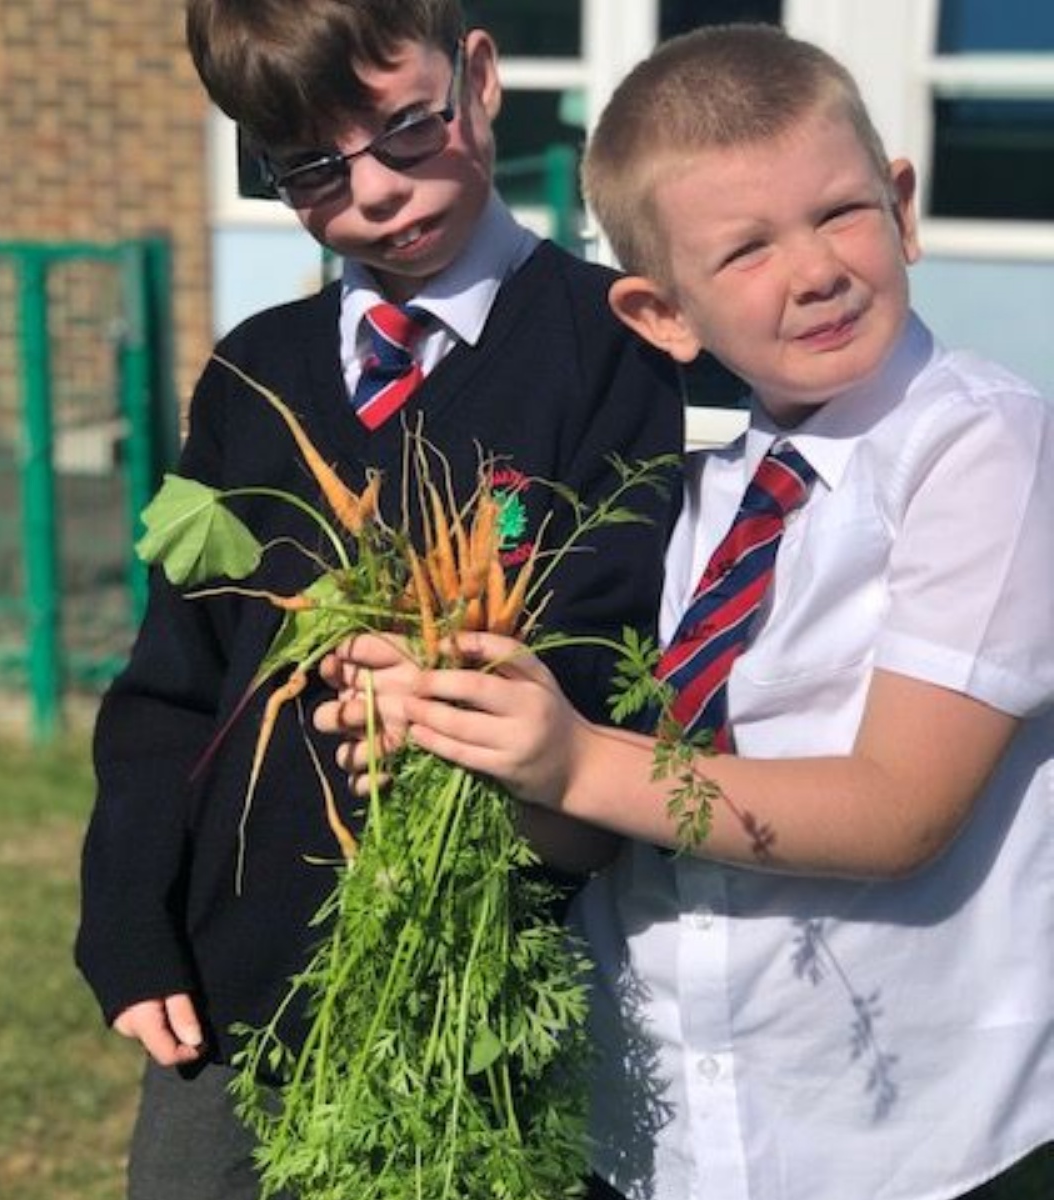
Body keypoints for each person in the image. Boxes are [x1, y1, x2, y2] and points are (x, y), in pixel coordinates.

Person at [318, 23, 1054, 1200]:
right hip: (668, 1123)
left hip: (911, 1139)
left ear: (903, 206)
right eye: (746, 249)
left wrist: (573, 765)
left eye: (841, 214)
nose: (813, 269)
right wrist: (467, 745)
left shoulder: (983, 445)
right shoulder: (692, 498)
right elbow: (600, 825)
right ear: (665, 315)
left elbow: (898, 810)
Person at [73, 2, 686, 1198]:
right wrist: (132, 917)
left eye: (407, 131)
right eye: (309, 168)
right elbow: (170, 682)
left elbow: (614, 648)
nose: (376, 196)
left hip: (482, 985)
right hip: (234, 987)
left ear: (480, 77)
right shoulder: (255, 374)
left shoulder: (608, 347)